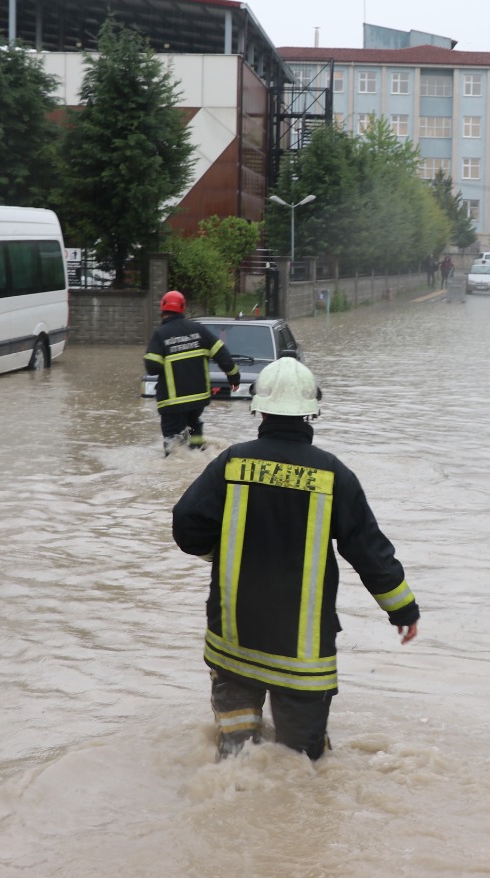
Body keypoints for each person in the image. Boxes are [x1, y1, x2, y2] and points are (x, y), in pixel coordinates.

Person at [172, 357, 421, 760]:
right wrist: (403, 609)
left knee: (234, 760)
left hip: (233, 644)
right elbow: (368, 550)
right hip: (302, 659)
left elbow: (186, 523)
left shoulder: (231, 463)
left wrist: (217, 554)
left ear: (259, 408)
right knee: (301, 765)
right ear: (312, 410)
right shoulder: (333, 475)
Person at [143, 289, 239, 456]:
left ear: (162, 309)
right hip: (197, 401)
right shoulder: (198, 330)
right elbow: (222, 354)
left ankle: (176, 471)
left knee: (173, 445)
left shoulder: (161, 334)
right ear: (183, 308)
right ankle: (197, 460)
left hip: (172, 404)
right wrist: (234, 377)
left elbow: (152, 366)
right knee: (194, 433)